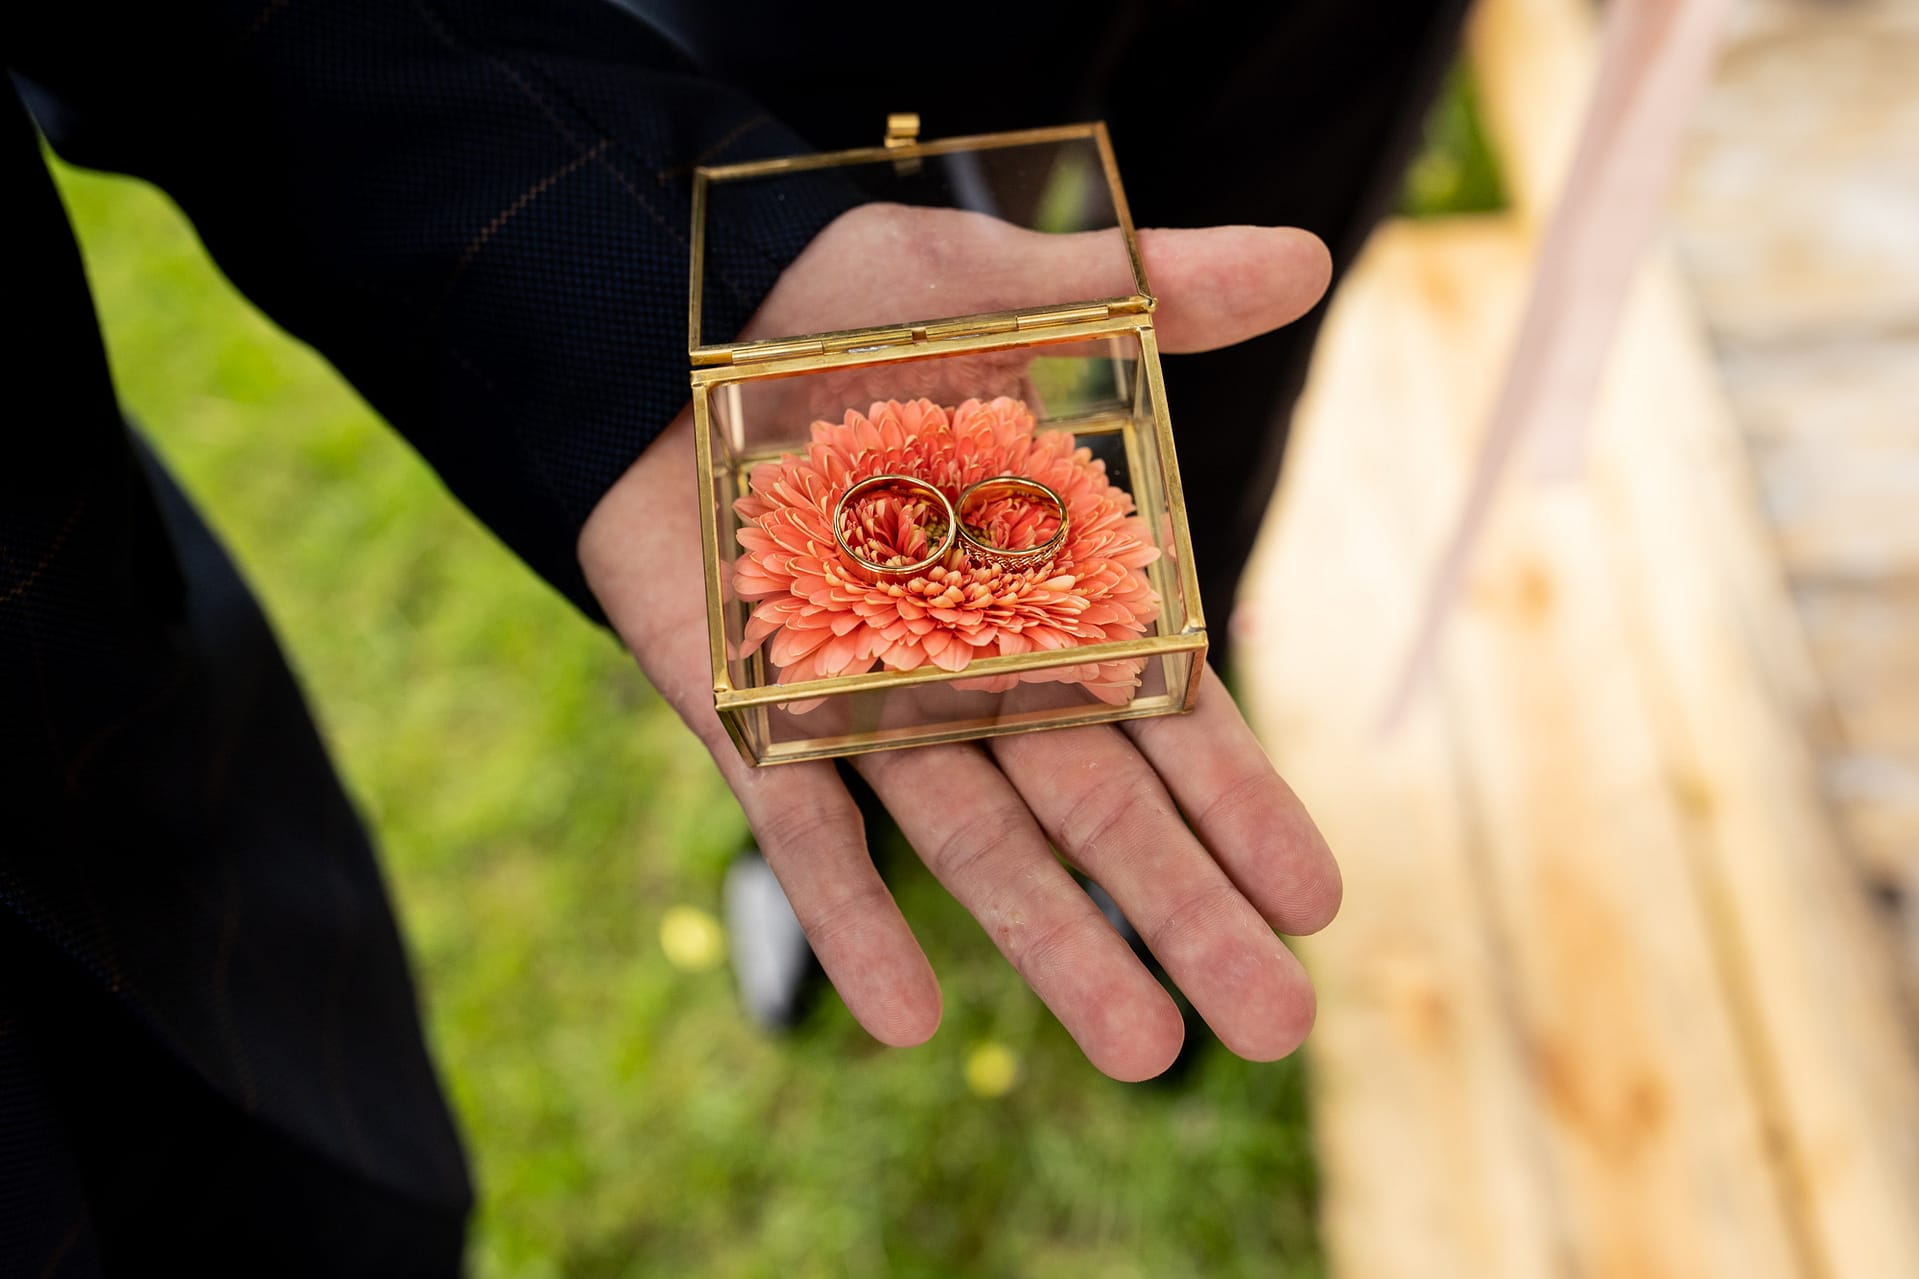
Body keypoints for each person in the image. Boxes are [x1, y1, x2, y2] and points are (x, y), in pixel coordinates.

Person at [3, 1, 1467, 1272]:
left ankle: (1127, 736)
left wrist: (664, 281)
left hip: (146, 848)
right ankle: (833, 804)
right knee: (827, 246)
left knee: (1177, 402)